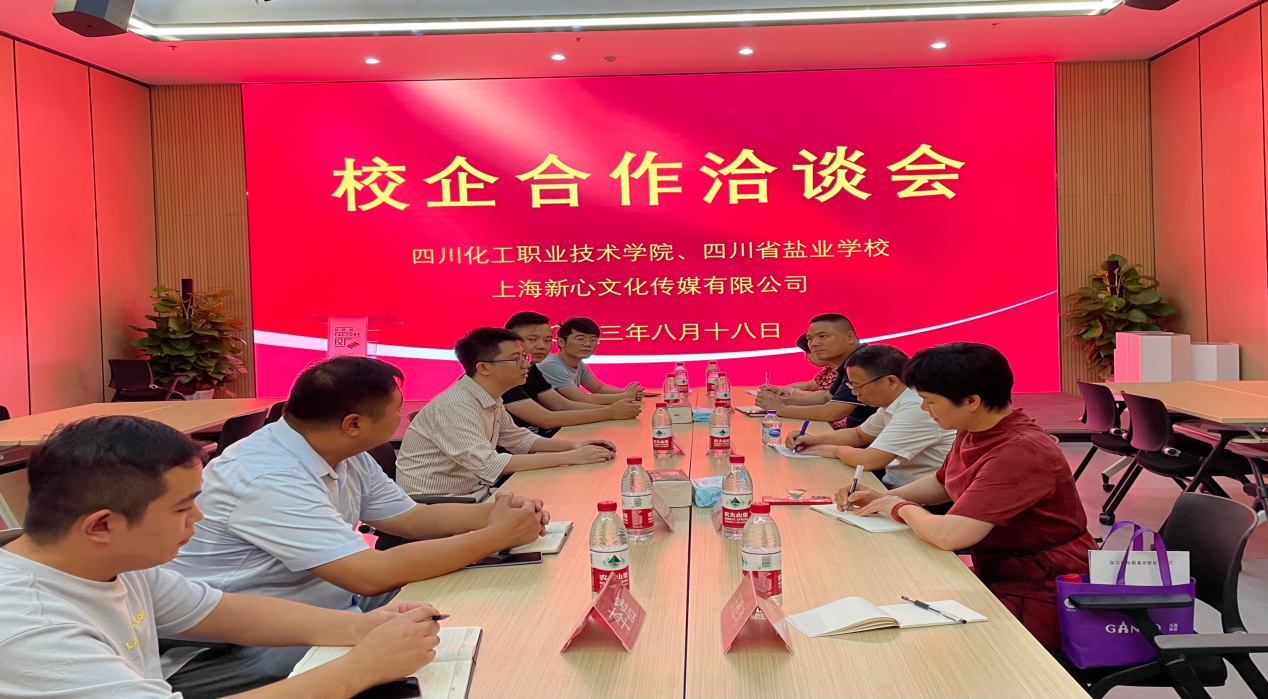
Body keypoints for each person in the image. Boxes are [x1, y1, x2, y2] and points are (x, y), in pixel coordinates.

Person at [165, 356, 549, 697]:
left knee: (467, 610)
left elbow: (412, 517)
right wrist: (494, 536)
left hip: (326, 604)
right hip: (242, 642)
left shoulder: (342, 451)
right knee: (432, 653)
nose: (403, 417)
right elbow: (368, 576)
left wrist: (499, 514)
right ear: (354, 423)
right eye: (396, 409)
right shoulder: (267, 476)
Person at [0, 416, 444, 699]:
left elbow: (228, 613)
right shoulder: (31, 624)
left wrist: (363, 628)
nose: (199, 516)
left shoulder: (110, 565)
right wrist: (362, 668)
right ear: (101, 526)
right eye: (182, 508)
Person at [843, 343, 1095, 651]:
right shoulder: (972, 428)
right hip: (999, 571)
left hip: (1043, 587)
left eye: (930, 401)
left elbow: (951, 535)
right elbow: (942, 481)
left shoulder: (1020, 451)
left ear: (971, 400)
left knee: (934, 647)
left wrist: (899, 506)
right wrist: (880, 498)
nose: (924, 409)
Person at [396, 327, 617, 498]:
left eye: (524, 357)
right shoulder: (456, 405)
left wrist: (576, 446)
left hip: (476, 494)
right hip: (441, 505)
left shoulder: (489, 396)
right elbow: (489, 464)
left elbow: (518, 438)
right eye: (516, 359)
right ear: (483, 367)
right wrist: (570, 457)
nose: (526, 365)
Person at [788, 344, 955, 509]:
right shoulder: (894, 400)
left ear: (891, 381)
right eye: (851, 386)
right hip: (898, 490)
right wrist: (814, 440)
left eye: (858, 386)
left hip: (927, 501)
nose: (854, 393)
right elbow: (859, 434)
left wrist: (832, 450)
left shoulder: (916, 407)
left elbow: (869, 460)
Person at [501, 312, 642, 435]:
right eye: (532, 339)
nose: (542, 346)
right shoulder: (505, 373)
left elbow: (562, 405)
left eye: (547, 340)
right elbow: (546, 419)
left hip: (523, 440)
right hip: (517, 444)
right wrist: (611, 411)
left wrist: (614, 409)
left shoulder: (532, 369)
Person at [756, 313, 877, 428]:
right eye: (810, 338)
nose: (814, 344)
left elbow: (830, 413)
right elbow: (825, 399)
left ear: (850, 337)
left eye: (822, 336)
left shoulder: (864, 362)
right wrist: (779, 401)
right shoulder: (849, 363)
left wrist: (780, 408)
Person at [537, 317, 644, 405]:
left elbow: (598, 388)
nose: (588, 344)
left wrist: (626, 393)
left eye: (593, 340)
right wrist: (626, 396)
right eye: (580, 339)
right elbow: (583, 399)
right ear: (561, 342)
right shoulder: (550, 365)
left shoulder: (578, 363)